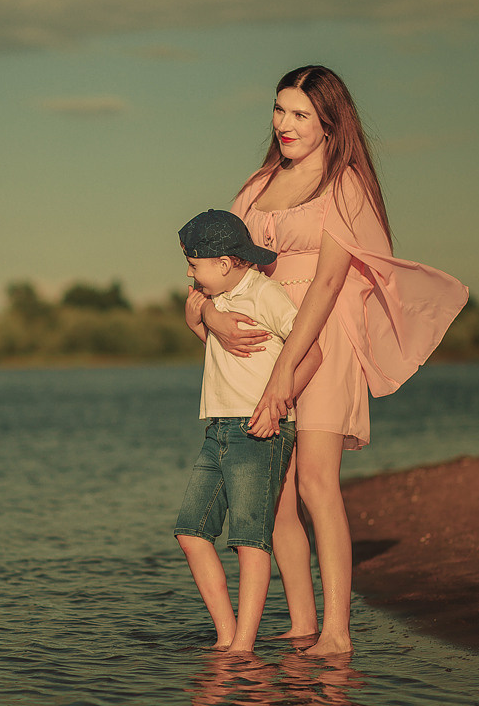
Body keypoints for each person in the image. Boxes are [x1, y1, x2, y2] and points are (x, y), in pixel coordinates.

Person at [196, 65, 468, 656]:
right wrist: (210, 316)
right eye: (279, 110)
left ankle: (338, 632)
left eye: (301, 114)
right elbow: (219, 268)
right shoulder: (258, 183)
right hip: (265, 337)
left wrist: (283, 378)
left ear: (329, 122)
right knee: (278, 490)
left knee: (317, 480)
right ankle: (300, 625)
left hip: (323, 337)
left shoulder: (343, 186)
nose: (285, 124)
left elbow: (323, 286)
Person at [173, 209, 322, 654]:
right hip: (218, 427)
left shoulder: (265, 294)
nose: (188, 272)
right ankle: (226, 635)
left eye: (194, 264)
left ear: (223, 263)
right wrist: (197, 318)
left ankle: (243, 644)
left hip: (258, 430)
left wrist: (277, 404)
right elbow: (224, 349)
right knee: (190, 532)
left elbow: (311, 353)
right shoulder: (213, 297)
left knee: (249, 539)